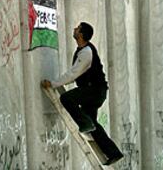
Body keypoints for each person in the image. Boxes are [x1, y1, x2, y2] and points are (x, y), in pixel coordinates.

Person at [41, 22, 123, 166]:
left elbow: (73, 73)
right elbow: (76, 73)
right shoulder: (82, 50)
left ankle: (85, 123)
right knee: (94, 124)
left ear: (81, 34)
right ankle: (113, 152)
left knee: (66, 98)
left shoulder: (86, 52)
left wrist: (53, 83)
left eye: (77, 28)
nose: (74, 29)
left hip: (94, 91)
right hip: (94, 91)